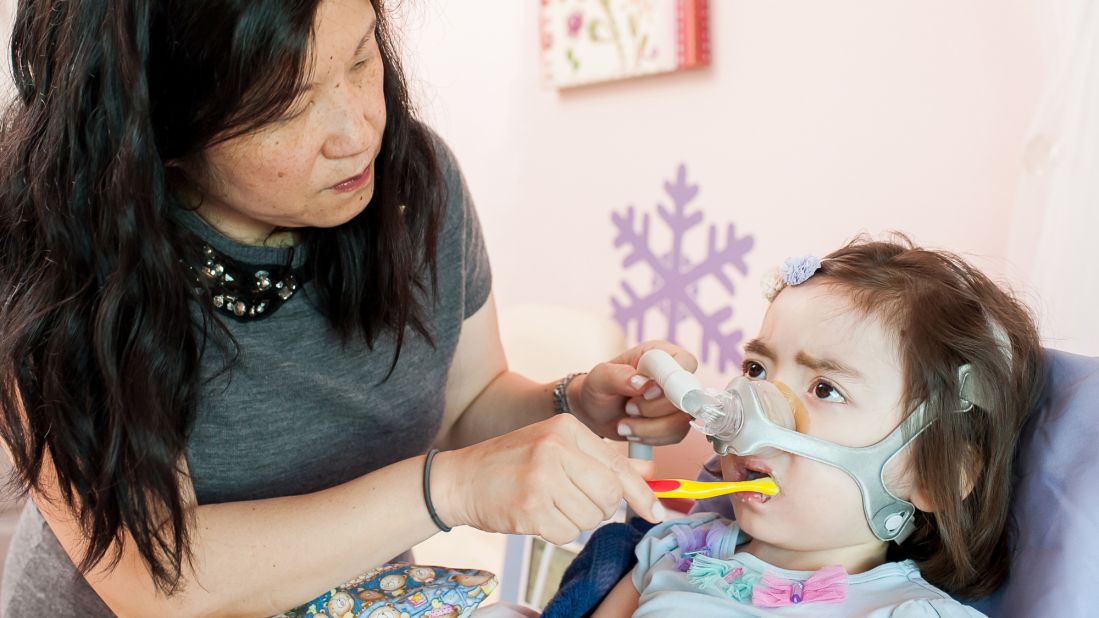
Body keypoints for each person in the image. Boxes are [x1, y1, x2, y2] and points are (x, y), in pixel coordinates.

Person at [0, 0, 696, 614]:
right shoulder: (57, 257)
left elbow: (464, 403)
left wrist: (572, 402)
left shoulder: (413, 183)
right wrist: (446, 489)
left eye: (361, 59)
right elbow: (163, 585)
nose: (358, 132)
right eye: (287, 105)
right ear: (157, 131)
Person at [592, 237, 1045, 617]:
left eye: (825, 389)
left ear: (934, 476)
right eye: (755, 370)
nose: (758, 407)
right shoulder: (675, 550)